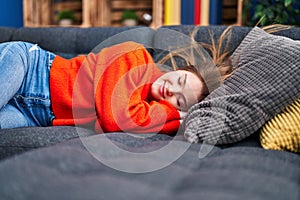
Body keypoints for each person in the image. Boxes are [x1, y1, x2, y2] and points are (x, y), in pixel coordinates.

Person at [0, 26, 236, 135]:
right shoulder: (134, 58)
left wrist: (181, 118)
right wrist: (177, 115)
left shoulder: (143, 108)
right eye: (180, 81)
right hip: (27, 68)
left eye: (179, 101)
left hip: (33, 116)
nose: (171, 91)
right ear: (179, 68)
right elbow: (117, 120)